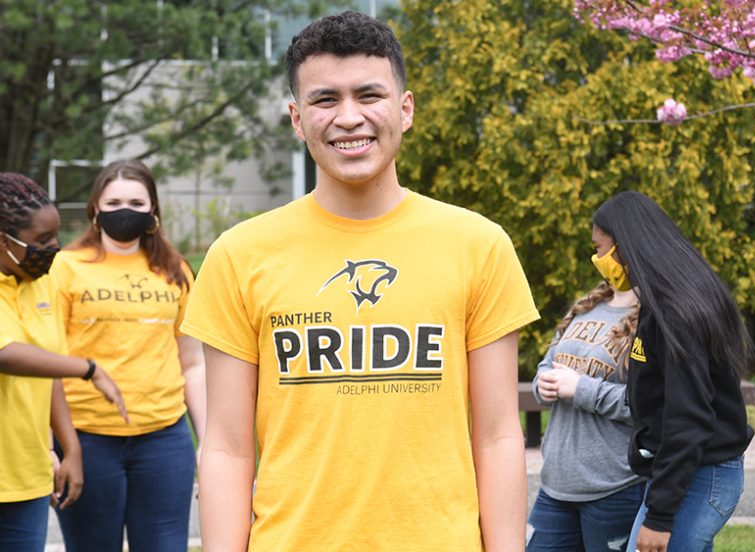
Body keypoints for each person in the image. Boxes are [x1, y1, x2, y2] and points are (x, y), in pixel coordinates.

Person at [180, 11, 539, 551]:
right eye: (325, 100)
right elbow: (228, 448)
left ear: (405, 108)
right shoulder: (240, 255)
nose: (349, 117)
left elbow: (497, 435)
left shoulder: (478, 245)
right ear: (297, 119)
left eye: (368, 95)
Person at [49, 160, 206, 552]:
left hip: (164, 440)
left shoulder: (176, 271)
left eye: (137, 202)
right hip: (85, 438)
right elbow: (46, 361)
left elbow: (193, 362)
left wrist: (207, 440)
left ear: (153, 211)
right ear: (95, 210)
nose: (125, 210)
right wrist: (53, 445)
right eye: (114, 201)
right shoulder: (64, 268)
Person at [591, 192, 754, 552]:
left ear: (625, 247)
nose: (598, 260)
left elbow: (689, 419)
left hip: (699, 476)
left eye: (600, 249)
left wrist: (660, 517)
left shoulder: (676, 313)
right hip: (683, 473)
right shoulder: (662, 303)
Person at [0, 172, 127, 552]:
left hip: (26, 476)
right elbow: (5, 354)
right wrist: (89, 369)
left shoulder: (42, 281)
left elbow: (48, 366)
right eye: (41, 241)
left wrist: (70, 449)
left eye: (55, 236)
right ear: (3, 241)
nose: (54, 248)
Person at [528, 274, 643, 552]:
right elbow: (548, 364)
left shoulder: (652, 318)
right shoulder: (586, 306)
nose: (598, 256)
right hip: (556, 484)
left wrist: (581, 389)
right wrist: (543, 384)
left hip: (614, 488)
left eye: (601, 248)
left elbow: (649, 403)